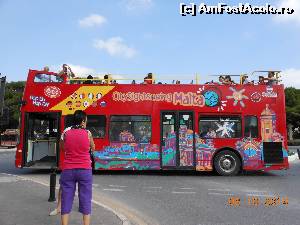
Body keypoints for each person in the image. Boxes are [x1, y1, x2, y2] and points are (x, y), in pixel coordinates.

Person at [59, 110, 95, 225]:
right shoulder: (88, 133)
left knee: (66, 197)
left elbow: (63, 148)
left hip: (68, 169)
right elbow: (93, 148)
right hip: (85, 170)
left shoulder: (66, 133)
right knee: (85, 198)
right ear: (83, 121)